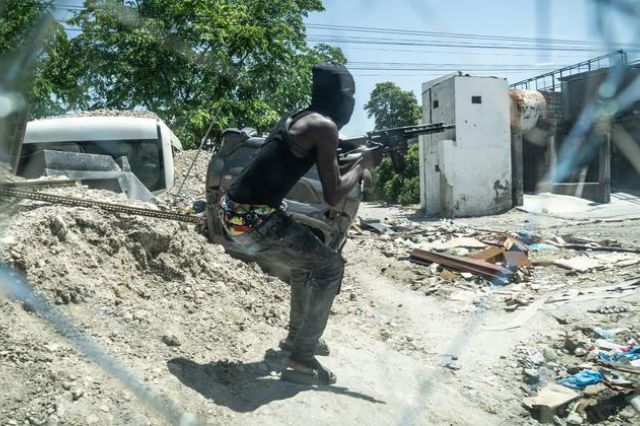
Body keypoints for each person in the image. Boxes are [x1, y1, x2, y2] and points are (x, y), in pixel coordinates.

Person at [218, 63, 380, 385]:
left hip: (236, 212)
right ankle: (302, 359)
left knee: (309, 263)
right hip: (254, 218)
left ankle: (297, 339)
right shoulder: (325, 127)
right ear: (342, 98)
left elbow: (327, 160)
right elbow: (334, 194)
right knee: (331, 267)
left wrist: (357, 154)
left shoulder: (300, 116)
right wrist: (363, 163)